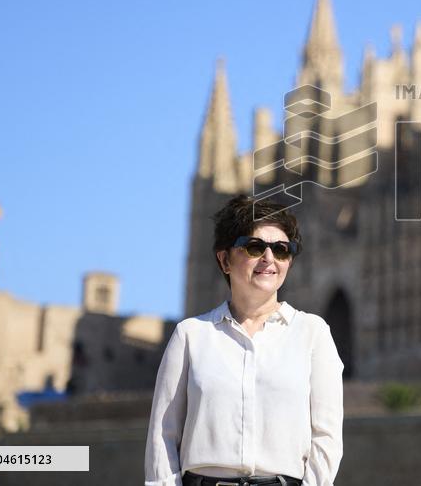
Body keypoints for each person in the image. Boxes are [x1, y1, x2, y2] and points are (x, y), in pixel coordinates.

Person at [145, 195, 344, 486]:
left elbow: (326, 438)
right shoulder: (191, 335)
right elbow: (163, 435)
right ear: (225, 259)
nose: (269, 258)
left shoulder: (313, 333)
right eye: (254, 247)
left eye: (281, 249)